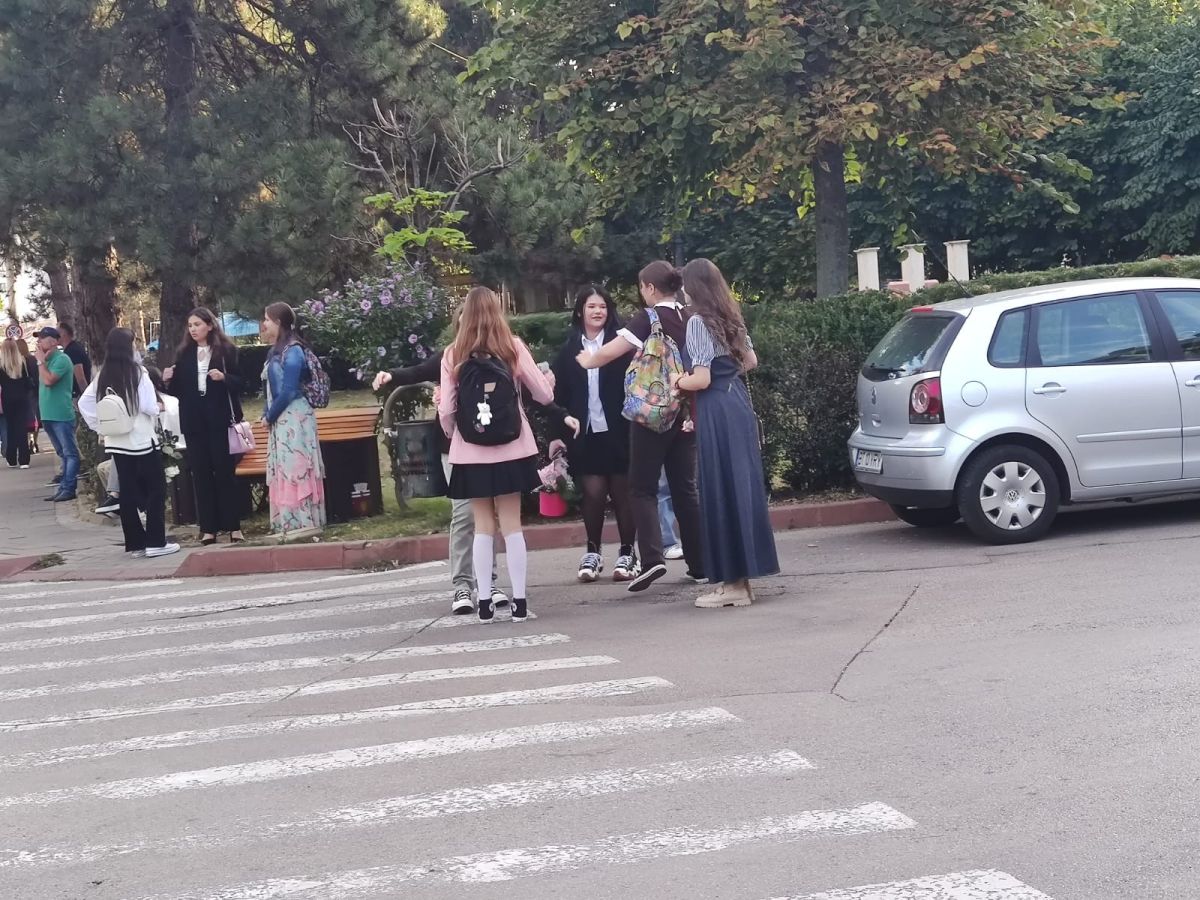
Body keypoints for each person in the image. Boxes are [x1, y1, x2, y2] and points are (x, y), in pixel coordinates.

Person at [438, 286, 572, 623]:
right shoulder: (511, 347)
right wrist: (547, 382)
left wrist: (456, 435)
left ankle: (484, 603)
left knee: (483, 527)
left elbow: (447, 410)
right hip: (513, 448)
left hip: (471, 453)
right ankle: (520, 603)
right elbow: (543, 394)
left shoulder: (454, 354)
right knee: (512, 526)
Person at [577, 260, 704, 593]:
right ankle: (700, 563)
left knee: (641, 488)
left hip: (652, 412)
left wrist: (585, 359)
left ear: (649, 287)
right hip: (685, 412)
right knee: (685, 489)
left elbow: (609, 352)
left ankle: (651, 559)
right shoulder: (690, 316)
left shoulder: (649, 317)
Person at [671, 258, 779, 607]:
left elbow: (701, 379)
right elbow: (751, 362)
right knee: (740, 488)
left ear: (694, 287)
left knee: (719, 489)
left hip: (716, 408)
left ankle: (732, 586)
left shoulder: (697, 322)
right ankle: (741, 582)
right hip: (737, 404)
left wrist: (678, 381)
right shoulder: (730, 317)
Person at [373, 352, 507, 617]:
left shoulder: (495, 353)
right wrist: (392, 375)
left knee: (486, 514)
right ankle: (462, 585)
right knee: (464, 512)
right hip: (453, 444)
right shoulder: (451, 355)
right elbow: (419, 371)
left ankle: (488, 582)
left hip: (488, 442)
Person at [549, 285, 637, 583]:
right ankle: (592, 552)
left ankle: (628, 553)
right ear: (580, 312)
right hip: (585, 432)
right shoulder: (569, 348)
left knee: (623, 493)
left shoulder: (621, 343)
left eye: (602, 306)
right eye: (591, 306)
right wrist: (557, 432)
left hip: (620, 429)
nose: (598, 311)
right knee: (593, 494)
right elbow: (558, 394)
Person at [79, 328, 180, 558]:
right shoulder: (138, 372)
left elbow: (85, 403)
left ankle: (136, 544)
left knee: (127, 491)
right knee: (156, 489)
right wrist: (158, 407)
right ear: (128, 346)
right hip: (141, 439)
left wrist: (100, 426)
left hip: (117, 441)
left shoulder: (103, 374)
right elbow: (148, 406)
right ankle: (156, 541)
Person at [163, 308, 245, 544]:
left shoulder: (226, 351)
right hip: (194, 422)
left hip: (219, 420)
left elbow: (242, 382)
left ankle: (234, 527)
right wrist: (167, 379)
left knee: (224, 473)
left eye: (197, 324)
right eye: (190, 325)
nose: (193, 329)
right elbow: (178, 391)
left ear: (210, 325)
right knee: (201, 474)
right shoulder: (184, 353)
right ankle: (208, 528)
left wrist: (224, 378)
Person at [260, 302, 326, 536]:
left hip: (295, 418)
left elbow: (288, 390)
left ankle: (302, 520)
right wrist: (267, 413)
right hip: (282, 417)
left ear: (278, 322)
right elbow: (270, 388)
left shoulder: (294, 350)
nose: (264, 324)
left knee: (296, 466)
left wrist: (269, 416)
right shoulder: (276, 350)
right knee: (284, 467)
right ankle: (287, 520)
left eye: (267, 319)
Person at [33, 326, 80, 502]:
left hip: (61, 414)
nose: (38, 342)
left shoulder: (62, 359)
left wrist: (40, 362)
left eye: (42, 338)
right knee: (62, 453)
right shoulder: (46, 360)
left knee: (70, 452)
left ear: (53, 342)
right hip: (48, 414)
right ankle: (63, 487)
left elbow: (49, 380)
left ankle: (69, 488)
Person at [0, 338, 34, 469]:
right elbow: (28, 381)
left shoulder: (1, 364)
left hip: (7, 398)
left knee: (11, 427)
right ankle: (24, 459)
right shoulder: (22, 361)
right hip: (22, 397)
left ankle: (11, 458)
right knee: (21, 427)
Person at [58, 321, 92, 398]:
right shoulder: (72, 349)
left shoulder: (72, 351)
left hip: (78, 396)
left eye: (57, 333)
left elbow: (80, 378)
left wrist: (86, 397)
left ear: (63, 334)